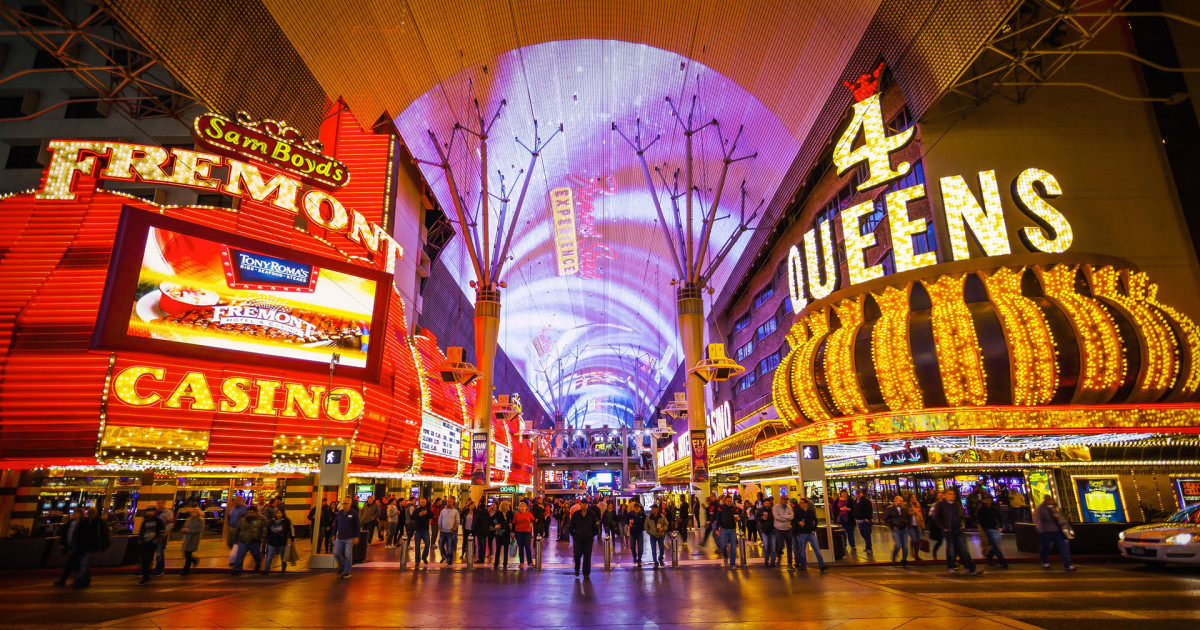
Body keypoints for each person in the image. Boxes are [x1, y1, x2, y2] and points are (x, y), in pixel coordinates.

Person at [931, 488, 983, 576]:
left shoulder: (957, 505)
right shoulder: (940, 505)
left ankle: (971, 568)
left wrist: (962, 523)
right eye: (950, 494)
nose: (952, 496)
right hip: (948, 529)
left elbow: (961, 515)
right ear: (945, 495)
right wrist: (943, 528)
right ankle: (951, 566)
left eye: (953, 494)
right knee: (951, 549)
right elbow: (935, 517)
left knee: (964, 549)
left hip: (958, 529)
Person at [55, 507, 106, 588]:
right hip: (77, 547)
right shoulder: (74, 523)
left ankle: (74, 581)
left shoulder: (88, 523)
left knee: (80, 564)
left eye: (76, 513)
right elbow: (66, 534)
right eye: (74, 513)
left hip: (83, 547)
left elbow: (88, 536)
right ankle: (84, 580)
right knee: (78, 564)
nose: (74, 514)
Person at [1033, 496, 1075, 571]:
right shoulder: (1041, 509)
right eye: (1049, 500)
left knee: (1062, 546)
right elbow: (1038, 520)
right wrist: (1041, 530)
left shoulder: (1052, 508)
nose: (1050, 501)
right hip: (1046, 531)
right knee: (1046, 547)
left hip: (1055, 531)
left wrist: (1066, 526)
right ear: (1045, 500)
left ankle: (1067, 565)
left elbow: (1060, 519)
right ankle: (1044, 560)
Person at [569, 498, 601, 578]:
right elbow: (571, 526)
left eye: (586, 504)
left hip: (588, 538)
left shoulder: (591, 514)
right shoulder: (576, 514)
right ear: (580, 504)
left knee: (587, 556)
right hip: (578, 538)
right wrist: (574, 535)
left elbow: (595, 526)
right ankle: (577, 568)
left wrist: (593, 535)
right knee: (577, 555)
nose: (584, 505)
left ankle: (586, 573)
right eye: (583, 503)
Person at [231, 505, 266, 575]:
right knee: (240, 555)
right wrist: (235, 538)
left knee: (256, 555)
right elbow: (237, 529)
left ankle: (258, 565)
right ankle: (237, 569)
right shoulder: (243, 519)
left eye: (252, 512)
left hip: (255, 540)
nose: (250, 513)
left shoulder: (261, 519)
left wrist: (263, 536)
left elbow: (264, 528)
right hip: (243, 540)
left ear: (256, 512)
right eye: (249, 512)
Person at [137, 505, 167, 585]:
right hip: (145, 542)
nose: (149, 512)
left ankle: (145, 577)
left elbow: (162, 532)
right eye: (148, 511)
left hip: (152, 543)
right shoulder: (145, 521)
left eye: (151, 511)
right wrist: (140, 539)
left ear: (154, 512)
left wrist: (156, 541)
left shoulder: (158, 521)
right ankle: (145, 575)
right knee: (144, 560)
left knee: (148, 559)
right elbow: (141, 531)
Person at [793, 497, 826, 571]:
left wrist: (814, 529)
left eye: (801, 503)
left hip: (810, 533)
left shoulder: (811, 512)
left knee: (817, 549)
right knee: (802, 550)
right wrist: (798, 523)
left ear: (806, 504)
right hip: (802, 533)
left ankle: (821, 565)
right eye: (800, 503)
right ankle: (803, 564)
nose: (800, 504)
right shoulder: (798, 512)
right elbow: (794, 521)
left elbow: (815, 521)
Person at [976, 495, 1008, 568]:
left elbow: (999, 516)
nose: (987, 501)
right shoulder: (981, 510)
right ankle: (1002, 562)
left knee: (994, 545)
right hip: (988, 529)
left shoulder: (994, 509)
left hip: (994, 528)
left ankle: (989, 558)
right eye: (985, 500)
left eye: (988, 500)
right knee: (995, 546)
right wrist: (985, 528)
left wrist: (1000, 526)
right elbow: (980, 520)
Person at [331, 497, 359, 578]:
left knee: (348, 555)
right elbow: (336, 524)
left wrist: (356, 536)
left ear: (350, 504)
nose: (344, 505)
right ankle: (342, 565)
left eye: (346, 503)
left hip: (349, 538)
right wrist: (333, 534)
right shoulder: (339, 513)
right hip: (340, 537)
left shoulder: (353, 513)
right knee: (336, 553)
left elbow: (357, 525)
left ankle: (347, 571)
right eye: (343, 503)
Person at [883, 495, 910, 567]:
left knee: (905, 546)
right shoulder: (890, 509)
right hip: (896, 530)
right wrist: (892, 526)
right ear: (895, 500)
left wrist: (908, 526)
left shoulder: (904, 509)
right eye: (900, 501)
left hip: (904, 529)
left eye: (902, 501)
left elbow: (908, 518)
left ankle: (904, 560)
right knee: (898, 544)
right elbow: (886, 519)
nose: (901, 502)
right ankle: (894, 558)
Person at [716, 496, 742, 567]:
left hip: (732, 530)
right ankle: (725, 557)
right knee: (723, 546)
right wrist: (717, 529)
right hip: (723, 529)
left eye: (730, 501)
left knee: (733, 547)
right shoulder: (721, 507)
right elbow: (718, 518)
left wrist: (738, 518)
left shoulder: (734, 508)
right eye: (728, 501)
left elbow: (739, 516)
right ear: (725, 501)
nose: (729, 502)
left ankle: (732, 564)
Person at [772, 494, 795, 567]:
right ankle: (779, 556)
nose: (786, 501)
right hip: (779, 529)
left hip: (788, 529)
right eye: (784, 500)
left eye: (787, 500)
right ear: (781, 500)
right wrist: (786, 518)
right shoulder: (775, 507)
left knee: (789, 547)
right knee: (780, 546)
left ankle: (790, 563)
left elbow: (792, 517)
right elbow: (776, 517)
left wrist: (782, 516)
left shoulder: (789, 508)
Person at [411, 498, 432, 569]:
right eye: (421, 502)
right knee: (417, 545)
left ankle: (424, 556)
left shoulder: (428, 509)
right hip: (417, 530)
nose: (423, 503)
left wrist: (426, 514)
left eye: (424, 502)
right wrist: (419, 515)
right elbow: (412, 517)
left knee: (427, 543)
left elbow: (431, 515)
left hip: (425, 530)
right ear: (420, 502)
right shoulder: (416, 509)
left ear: (426, 502)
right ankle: (417, 560)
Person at [181, 508, 203, 576]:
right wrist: (184, 530)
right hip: (187, 538)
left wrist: (189, 530)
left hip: (193, 539)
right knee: (186, 553)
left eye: (195, 512)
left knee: (188, 554)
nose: (193, 513)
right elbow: (184, 527)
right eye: (192, 512)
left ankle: (185, 570)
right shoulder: (189, 520)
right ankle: (194, 560)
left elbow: (200, 530)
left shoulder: (200, 520)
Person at [512, 502, 535, 568]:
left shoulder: (529, 514)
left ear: (526, 507)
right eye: (520, 506)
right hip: (518, 532)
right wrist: (513, 533)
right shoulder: (516, 514)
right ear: (519, 507)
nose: (522, 507)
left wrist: (531, 523)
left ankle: (530, 562)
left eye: (523, 506)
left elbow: (533, 520)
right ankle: (521, 562)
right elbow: (514, 524)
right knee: (521, 548)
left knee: (528, 547)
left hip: (527, 532)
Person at [154, 500, 173, 576]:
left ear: (164, 503)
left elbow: (170, 523)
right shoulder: (155, 512)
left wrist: (165, 532)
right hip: (154, 534)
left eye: (160, 503)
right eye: (158, 503)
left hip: (161, 535)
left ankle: (159, 569)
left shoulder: (167, 512)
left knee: (159, 552)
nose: (159, 504)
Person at [492, 500, 513, 570]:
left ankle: (505, 563)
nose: (508, 507)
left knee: (506, 547)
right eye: (506, 505)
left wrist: (511, 525)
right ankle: (496, 562)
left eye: (508, 505)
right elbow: (492, 519)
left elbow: (513, 520)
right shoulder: (499, 512)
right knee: (498, 547)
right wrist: (496, 525)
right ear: (503, 506)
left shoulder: (509, 512)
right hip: (500, 530)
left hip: (507, 530)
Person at [756, 498, 776, 567]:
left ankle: (773, 561)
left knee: (773, 546)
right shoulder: (761, 510)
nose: (767, 504)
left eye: (768, 503)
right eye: (766, 503)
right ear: (764, 503)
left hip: (772, 530)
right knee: (766, 546)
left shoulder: (772, 510)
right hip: (764, 531)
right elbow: (756, 517)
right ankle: (766, 561)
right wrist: (762, 518)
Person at [853, 489, 874, 555]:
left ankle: (868, 548)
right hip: (859, 520)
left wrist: (868, 518)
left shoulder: (866, 501)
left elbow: (870, 510)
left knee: (867, 534)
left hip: (865, 521)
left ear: (861, 493)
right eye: (856, 493)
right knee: (863, 534)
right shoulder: (855, 501)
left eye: (858, 493)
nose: (857, 495)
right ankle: (868, 545)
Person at [472, 498, 492, 563]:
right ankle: (482, 558)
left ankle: (481, 559)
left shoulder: (478, 514)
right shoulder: (487, 513)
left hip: (479, 531)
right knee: (483, 544)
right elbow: (489, 521)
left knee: (480, 545)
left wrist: (474, 530)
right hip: (485, 531)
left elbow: (476, 522)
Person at [627, 501, 646, 566]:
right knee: (632, 546)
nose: (637, 508)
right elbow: (626, 520)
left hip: (640, 532)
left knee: (640, 547)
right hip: (632, 532)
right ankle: (635, 556)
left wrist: (643, 528)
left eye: (638, 507)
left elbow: (645, 522)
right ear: (633, 508)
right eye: (635, 507)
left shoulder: (642, 514)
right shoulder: (630, 514)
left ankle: (639, 559)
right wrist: (629, 524)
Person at [907, 493, 925, 561]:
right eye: (912, 497)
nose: (914, 499)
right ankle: (912, 550)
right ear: (909, 498)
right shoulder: (908, 505)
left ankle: (916, 555)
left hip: (917, 524)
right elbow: (909, 513)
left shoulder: (917, 505)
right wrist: (914, 510)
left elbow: (921, 515)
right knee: (914, 539)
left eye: (915, 497)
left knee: (917, 540)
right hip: (911, 525)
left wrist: (922, 524)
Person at [928, 491, 945, 559]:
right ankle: (934, 552)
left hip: (946, 524)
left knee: (950, 541)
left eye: (941, 495)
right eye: (939, 495)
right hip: (939, 524)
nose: (940, 496)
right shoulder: (935, 504)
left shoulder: (946, 504)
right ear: (937, 497)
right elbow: (930, 513)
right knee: (940, 540)